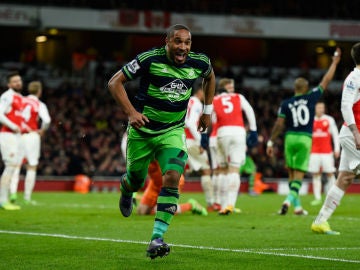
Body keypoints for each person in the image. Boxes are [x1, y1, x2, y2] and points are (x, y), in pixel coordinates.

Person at [108, 24, 215, 259]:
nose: (183, 47)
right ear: (167, 42)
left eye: (187, 43)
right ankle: (127, 189)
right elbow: (114, 82)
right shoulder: (149, 59)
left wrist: (207, 111)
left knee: (173, 176)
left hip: (172, 132)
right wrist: (131, 113)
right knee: (136, 179)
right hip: (143, 132)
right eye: (178, 41)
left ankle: (157, 237)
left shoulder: (199, 62)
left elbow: (210, 76)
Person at [266, 48, 341, 216]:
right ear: (306, 88)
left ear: (295, 88)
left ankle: (297, 207)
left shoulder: (286, 103)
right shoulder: (312, 97)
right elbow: (326, 80)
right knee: (299, 174)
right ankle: (287, 202)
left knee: (291, 172)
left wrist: (271, 141)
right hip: (305, 138)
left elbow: (278, 124)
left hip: (289, 137)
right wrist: (334, 63)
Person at [311, 43, 360, 235]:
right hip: (353, 133)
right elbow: (346, 106)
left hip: (352, 132)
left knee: (345, 178)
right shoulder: (354, 78)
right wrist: (356, 132)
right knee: (345, 177)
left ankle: (320, 221)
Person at [212, 78, 258, 215]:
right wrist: (254, 130)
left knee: (223, 169)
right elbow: (249, 110)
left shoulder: (214, 100)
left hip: (221, 134)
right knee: (234, 169)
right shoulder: (238, 97)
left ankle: (221, 203)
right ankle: (230, 204)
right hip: (238, 132)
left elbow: (213, 119)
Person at [9, 81, 51, 205]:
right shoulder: (39, 104)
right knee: (31, 166)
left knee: (16, 165)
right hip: (32, 135)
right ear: (39, 91)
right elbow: (47, 120)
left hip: (19, 134)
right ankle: (27, 197)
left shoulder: (20, 100)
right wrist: (42, 130)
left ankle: (13, 193)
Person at [136, 160, 207, 216]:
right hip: (155, 184)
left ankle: (191, 205)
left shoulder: (157, 148)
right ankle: (159, 207)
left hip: (171, 181)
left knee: (167, 211)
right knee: (141, 211)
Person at [185, 86, 215, 211]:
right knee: (206, 170)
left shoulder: (187, 101)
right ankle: (211, 204)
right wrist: (200, 141)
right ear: (200, 91)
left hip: (182, 139)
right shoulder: (197, 104)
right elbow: (191, 123)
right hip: (192, 140)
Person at [308, 101, 340, 206]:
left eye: (322, 107)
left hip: (327, 152)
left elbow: (335, 135)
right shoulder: (310, 120)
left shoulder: (329, 120)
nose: (321, 109)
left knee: (330, 173)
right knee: (316, 174)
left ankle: (334, 198)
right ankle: (317, 198)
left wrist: (337, 149)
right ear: (315, 109)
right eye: (319, 108)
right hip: (314, 152)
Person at [0, 72, 24, 210]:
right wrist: (13, 126)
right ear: (9, 84)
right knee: (10, 166)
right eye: (14, 81)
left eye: (19, 80)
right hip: (7, 135)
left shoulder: (19, 97)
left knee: (13, 166)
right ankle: (2, 200)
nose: (18, 83)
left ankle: (5, 198)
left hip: (16, 136)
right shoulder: (7, 96)